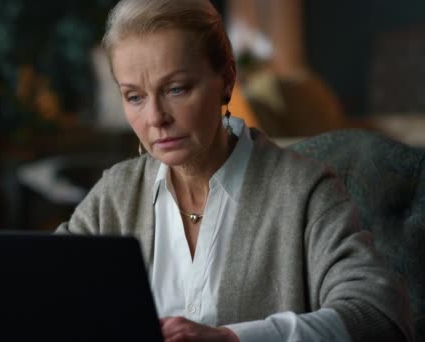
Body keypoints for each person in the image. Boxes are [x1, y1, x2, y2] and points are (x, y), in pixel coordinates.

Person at [56, 0, 413, 341]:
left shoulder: (303, 191)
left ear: (226, 79)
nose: (155, 118)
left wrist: (234, 338)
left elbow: (378, 316)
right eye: (134, 97)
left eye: (176, 89)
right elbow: (41, 287)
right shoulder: (115, 195)